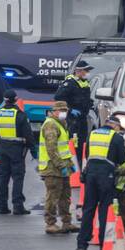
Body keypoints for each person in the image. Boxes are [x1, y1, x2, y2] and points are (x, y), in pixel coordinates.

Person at [76, 116, 125, 250]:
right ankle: (103, 243)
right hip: (106, 176)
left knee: (88, 209)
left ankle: (82, 243)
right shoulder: (116, 137)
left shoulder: (92, 134)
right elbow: (122, 159)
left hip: (91, 175)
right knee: (105, 209)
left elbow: (87, 155)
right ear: (116, 126)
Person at [0, 89, 37, 216]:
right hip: (17, 150)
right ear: (16, 100)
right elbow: (28, 135)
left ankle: (2, 206)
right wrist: (33, 150)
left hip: (3, 149)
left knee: (3, 177)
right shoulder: (20, 115)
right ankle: (18, 206)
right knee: (18, 177)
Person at [38, 100, 79, 235]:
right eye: (61, 110)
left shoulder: (61, 124)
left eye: (65, 110)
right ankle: (50, 223)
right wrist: (62, 165)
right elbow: (52, 149)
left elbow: (64, 149)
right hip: (52, 167)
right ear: (54, 112)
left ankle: (66, 222)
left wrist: (70, 165)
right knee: (53, 196)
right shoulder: (50, 125)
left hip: (62, 166)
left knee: (65, 196)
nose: (64, 113)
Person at [54, 61, 94, 162]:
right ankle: (72, 164)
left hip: (82, 118)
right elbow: (58, 97)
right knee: (73, 143)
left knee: (82, 143)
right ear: (78, 71)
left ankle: (80, 165)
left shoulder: (85, 83)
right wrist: (70, 110)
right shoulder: (70, 83)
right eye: (86, 70)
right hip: (73, 119)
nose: (88, 73)